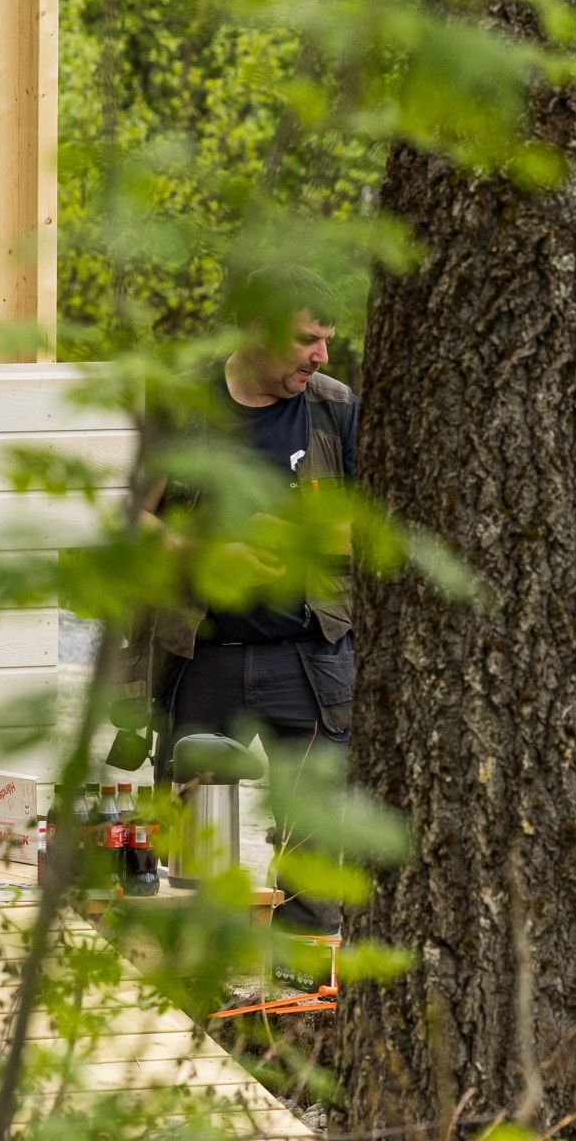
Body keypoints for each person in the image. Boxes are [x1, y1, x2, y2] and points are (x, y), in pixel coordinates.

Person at [142, 265, 358, 933]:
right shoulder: (183, 403)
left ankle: (305, 983)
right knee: (190, 851)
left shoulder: (335, 407)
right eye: (307, 339)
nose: (321, 355)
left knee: (313, 849)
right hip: (202, 654)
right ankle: (191, 982)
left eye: (326, 340)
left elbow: (372, 527)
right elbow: (130, 520)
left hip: (310, 659)